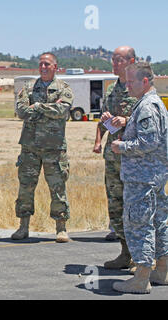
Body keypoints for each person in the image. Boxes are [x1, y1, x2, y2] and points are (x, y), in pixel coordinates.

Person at [111, 62, 168, 294]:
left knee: (139, 223)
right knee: (158, 222)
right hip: (153, 176)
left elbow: (148, 142)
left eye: (131, 81)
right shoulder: (152, 103)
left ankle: (141, 277)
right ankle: (162, 270)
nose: (127, 86)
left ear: (145, 81)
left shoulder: (146, 106)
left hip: (142, 178)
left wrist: (121, 145)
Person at [12, 52, 74, 243]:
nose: (43, 67)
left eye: (47, 64)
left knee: (57, 188)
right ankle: (23, 226)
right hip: (30, 148)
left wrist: (37, 107)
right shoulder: (29, 87)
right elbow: (21, 111)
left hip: (54, 149)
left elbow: (62, 110)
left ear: (56, 67)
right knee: (26, 187)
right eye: (41, 64)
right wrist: (47, 108)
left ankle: (61, 228)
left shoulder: (63, 88)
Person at [93, 46, 137, 268]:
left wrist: (126, 121)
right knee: (116, 204)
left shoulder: (140, 88)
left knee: (136, 206)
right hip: (113, 157)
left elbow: (150, 120)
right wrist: (106, 123)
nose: (114, 63)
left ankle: (145, 257)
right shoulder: (111, 90)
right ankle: (125, 252)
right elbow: (104, 122)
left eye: (118, 59)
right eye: (113, 59)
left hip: (135, 158)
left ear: (131, 61)